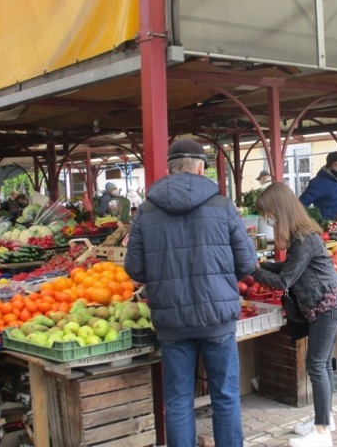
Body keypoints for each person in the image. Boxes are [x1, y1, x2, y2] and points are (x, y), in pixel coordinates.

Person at [124, 139, 257, 447]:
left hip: (171, 319)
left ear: (169, 169)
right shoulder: (222, 205)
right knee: (224, 395)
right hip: (217, 318)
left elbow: (134, 269)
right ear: (200, 168)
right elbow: (248, 262)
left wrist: (163, 276)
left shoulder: (146, 210)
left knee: (179, 399)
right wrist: (221, 279)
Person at [252, 182, 337, 447]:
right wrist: (263, 265)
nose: (267, 220)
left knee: (316, 365)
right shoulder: (301, 237)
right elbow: (290, 266)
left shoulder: (305, 238)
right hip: (326, 304)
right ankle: (325, 419)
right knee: (321, 363)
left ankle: (321, 434)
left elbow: (284, 281)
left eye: (268, 214)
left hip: (327, 306)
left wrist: (252, 271)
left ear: (279, 210)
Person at [299, 151, 337, 221]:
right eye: (336, 165)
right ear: (329, 167)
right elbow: (302, 203)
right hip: (329, 225)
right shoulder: (319, 182)